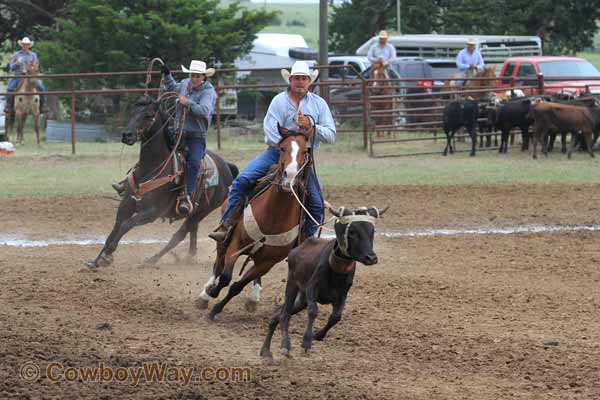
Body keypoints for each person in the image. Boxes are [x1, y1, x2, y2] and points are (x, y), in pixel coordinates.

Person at [208, 61, 336, 242]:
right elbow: (269, 132)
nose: (300, 82)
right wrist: (289, 144)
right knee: (242, 180)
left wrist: (312, 126)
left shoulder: (319, 104)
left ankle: (306, 241)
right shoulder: (279, 101)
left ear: (310, 81)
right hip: (276, 154)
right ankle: (226, 224)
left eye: (304, 79)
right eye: (297, 78)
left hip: (303, 159)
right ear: (290, 80)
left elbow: (331, 135)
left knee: (316, 203)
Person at [161, 60, 217, 215]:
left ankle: (188, 196)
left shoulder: (208, 91)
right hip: (177, 132)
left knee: (193, 162)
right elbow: (173, 88)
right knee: (156, 147)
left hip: (195, 136)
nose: (194, 78)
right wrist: (167, 76)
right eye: (193, 75)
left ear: (204, 77)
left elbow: (204, 110)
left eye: (198, 76)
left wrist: (188, 103)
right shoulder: (185, 84)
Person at [6, 37, 47, 115]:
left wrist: (31, 68)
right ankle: (9, 106)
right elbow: (11, 67)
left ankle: (43, 106)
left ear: (29, 45)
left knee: (42, 88)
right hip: (18, 76)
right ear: (21, 45)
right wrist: (16, 64)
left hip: (30, 76)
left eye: (27, 44)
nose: (25, 46)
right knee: (10, 89)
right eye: (24, 44)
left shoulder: (33, 55)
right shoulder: (16, 54)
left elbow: (36, 66)